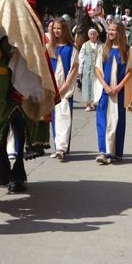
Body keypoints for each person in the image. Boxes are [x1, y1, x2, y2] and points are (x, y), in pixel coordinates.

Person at [93, 22, 132, 164]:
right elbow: (97, 69)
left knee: (117, 120)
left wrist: (119, 86)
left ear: (120, 32)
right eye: (109, 30)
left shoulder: (126, 50)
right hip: (105, 92)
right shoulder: (104, 48)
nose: (110, 32)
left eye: (113, 30)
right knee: (103, 120)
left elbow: (130, 70)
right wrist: (105, 86)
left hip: (119, 92)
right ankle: (103, 151)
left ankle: (115, 152)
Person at [48, 17, 79, 161]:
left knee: (64, 116)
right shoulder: (51, 47)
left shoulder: (71, 48)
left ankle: (62, 148)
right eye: (54, 28)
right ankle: (58, 146)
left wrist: (65, 86)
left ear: (65, 30)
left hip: (65, 88)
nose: (56, 31)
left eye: (59, 28)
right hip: (53, 88)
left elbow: (74, 68)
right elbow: (47, 63)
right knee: (55, 118)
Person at [78, 28, 102, 112]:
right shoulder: (85, 45)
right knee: (87, 85)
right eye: (91, 34)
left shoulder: (101, 45)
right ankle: (88, 104)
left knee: (96, 85)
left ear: (97, 35)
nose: (92, 36)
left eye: (94, 34)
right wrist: (80, 70)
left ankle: (94, 103)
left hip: (97, 69)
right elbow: (81, 57)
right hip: (87, 68)